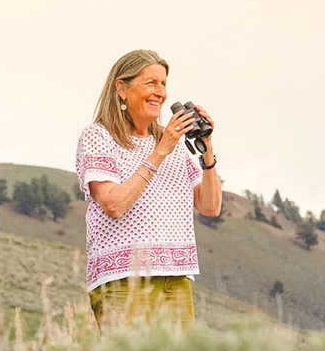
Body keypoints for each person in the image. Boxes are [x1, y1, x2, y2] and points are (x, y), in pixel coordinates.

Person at [74, 49, 221, 328]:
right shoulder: (98, 137)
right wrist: (160, 151)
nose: (160, 92)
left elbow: (210, 206)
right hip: (122, 280)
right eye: (150, 83)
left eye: (163, 84)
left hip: (176, 279)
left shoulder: (174, 146)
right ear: (122, 89)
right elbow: (114, 204)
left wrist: (208, 151)